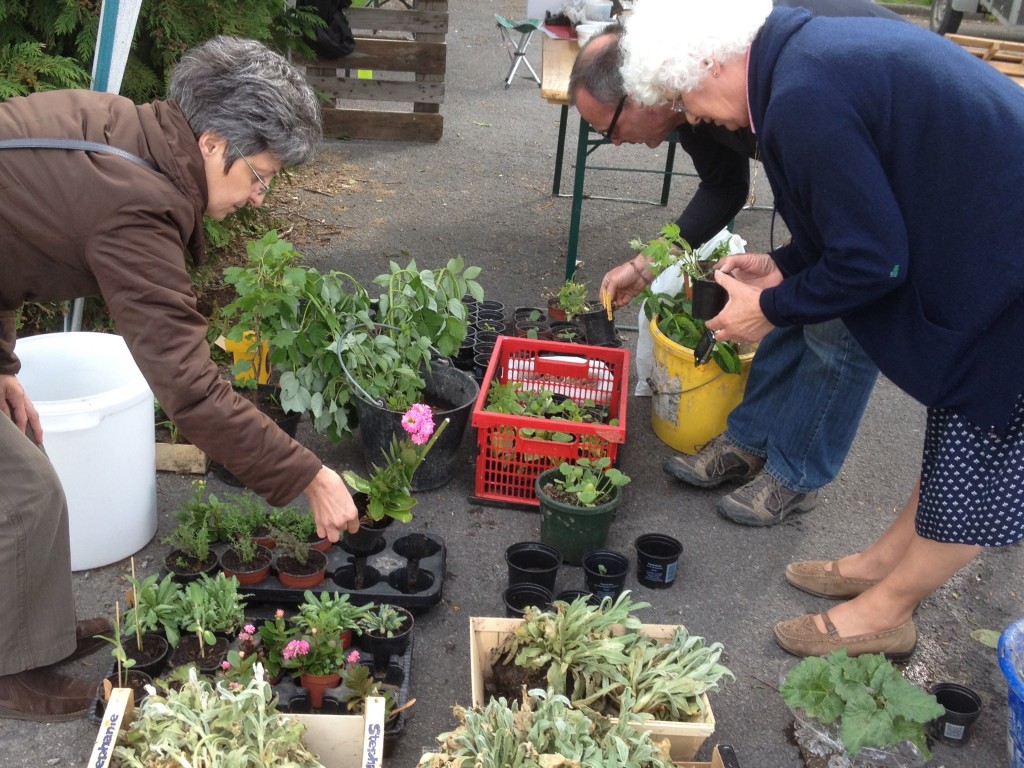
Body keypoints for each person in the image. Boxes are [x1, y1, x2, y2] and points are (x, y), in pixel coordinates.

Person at [617, 0, 1024, 658]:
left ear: (711, 62)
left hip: (1008, 267)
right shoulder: (801, 64)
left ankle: (888, 612)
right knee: (960, 423)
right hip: (989, 238)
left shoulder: (802, 98)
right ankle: (881, 563)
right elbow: (866, 206)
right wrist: (783, 265)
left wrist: (768, 309)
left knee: (981, 451)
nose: (693, 117)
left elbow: (875, 260)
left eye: (686, 98)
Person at [0, 36, 360, 721]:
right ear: (211, 141)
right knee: (21, 493)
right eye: (258, 174)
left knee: (27, 483)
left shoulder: (130, 136)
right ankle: (11, 675)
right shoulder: (134, 202)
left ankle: (28, 643)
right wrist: (310, 476)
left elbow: (9, 240)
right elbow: (190, 390)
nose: (258, 197)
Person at [569, 0, 899, 527]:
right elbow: (726, 186)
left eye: (610, 128)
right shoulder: (691, 101)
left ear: (637, 90)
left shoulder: (734, 73)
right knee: (785, 293)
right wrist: (648, 262)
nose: (615, 143)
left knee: (839, 318)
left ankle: (796, 475)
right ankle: (748, 439)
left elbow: (870, 256)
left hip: (878, 134)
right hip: (830, 141)